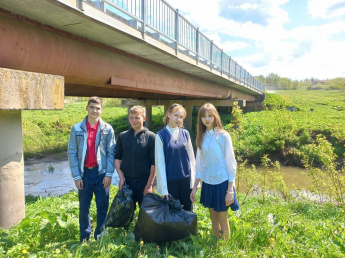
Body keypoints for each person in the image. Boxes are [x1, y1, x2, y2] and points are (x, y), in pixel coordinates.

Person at [68, 96, 115, 242]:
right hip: (84, 174)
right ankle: (84, 238)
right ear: (87, 108)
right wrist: (76, 176)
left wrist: (108, 174)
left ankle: (100, 236)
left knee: (102, 207)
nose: (95, 110)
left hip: (101, 174)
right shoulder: (77, 129)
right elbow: (72, 152)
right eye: (92, 107)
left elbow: (111, 152)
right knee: (84, 209)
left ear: (101, 110)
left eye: (98, 108)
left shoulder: (107, 129)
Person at [190, 102, 238, 240]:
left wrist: (230, 190)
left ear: (215, 116)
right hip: (208, 182)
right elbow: (199, 165)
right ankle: (215, 246)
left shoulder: (223, 136)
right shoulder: (202, 137)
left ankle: (225, 249)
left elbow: (231, 164)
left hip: (223, 182)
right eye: (203, 116)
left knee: (223, 219)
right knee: (213, 218)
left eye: (210, 115)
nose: (207, 119)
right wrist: (194, 187)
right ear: (200, 119)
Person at [155, 103, 196, 211]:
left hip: (186, 182)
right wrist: (164, 189)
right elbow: (160, 164)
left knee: (188, 213)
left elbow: (192, 160)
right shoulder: (160, 135)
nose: (178, 119)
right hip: (170, 183)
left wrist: (194, 184)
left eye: (181, 117)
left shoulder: (185, 134)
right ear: (168, 114)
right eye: (176, 115)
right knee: (172, 215)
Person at [115, 106, 156, 209]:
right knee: (127, 214)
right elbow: (117, 159)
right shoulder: (122, 136)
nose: (134, 120)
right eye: (131, 117)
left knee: (146, 215)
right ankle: (129, 225)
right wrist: (121, 178)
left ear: (144, 118)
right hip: (127, 182)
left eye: (137, 117)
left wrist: (149, 185)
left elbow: (154, 163)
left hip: (144, 181)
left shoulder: (151, 137)